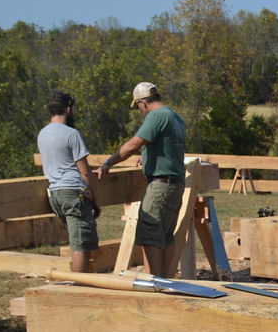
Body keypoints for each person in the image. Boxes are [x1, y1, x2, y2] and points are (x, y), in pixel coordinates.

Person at [95, 82, 186, 278]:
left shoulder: (156, 116)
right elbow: (167, 146)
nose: (140, 110)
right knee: (166, 235)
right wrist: (148, 154)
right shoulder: (174, 116)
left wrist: (107, 163)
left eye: (137, 106)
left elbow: (133, 144)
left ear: (142, 102)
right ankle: (164, 279)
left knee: (150, 234)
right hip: (176, 184)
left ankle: (152, 281)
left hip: (161, 185)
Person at [37, 91, 101, 273]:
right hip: (74, 193)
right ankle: (79, 287)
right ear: (68, 109)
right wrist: (96, 198)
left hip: (56, 194)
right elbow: (84, 171)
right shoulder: (72, 134)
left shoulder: (42, 134)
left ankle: (80, 284)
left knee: (77, 241)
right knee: (82, 246)